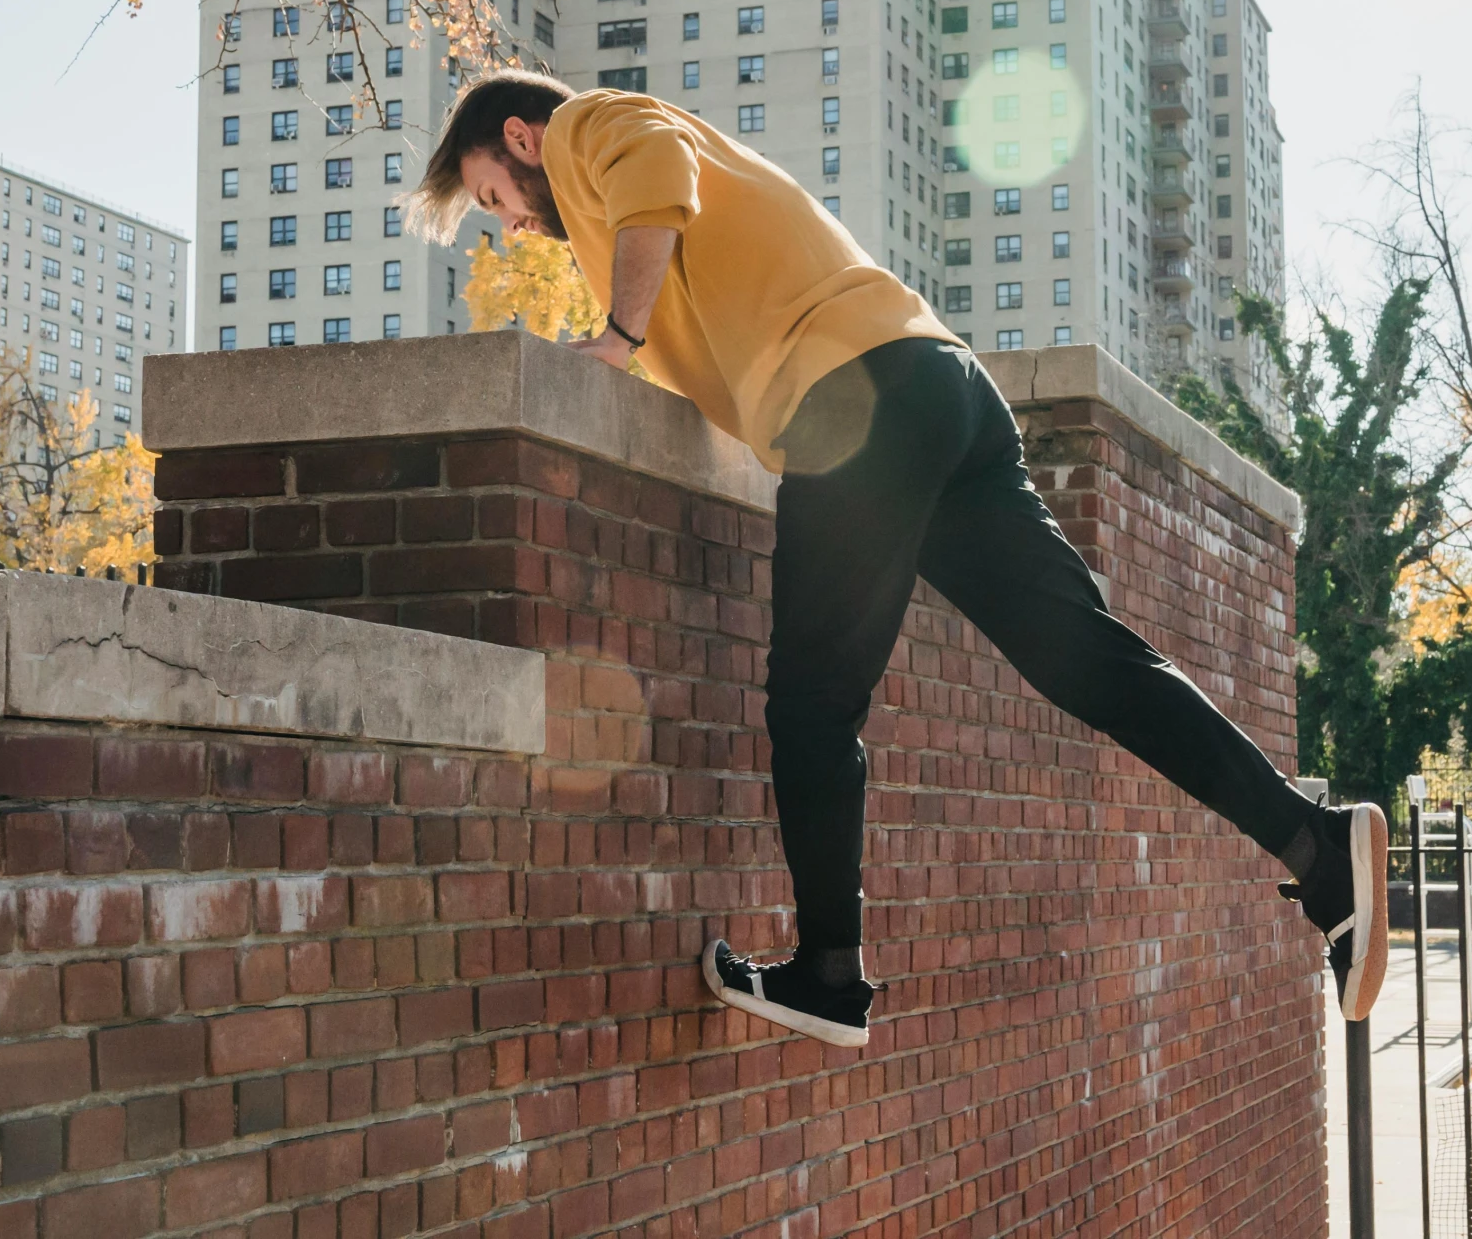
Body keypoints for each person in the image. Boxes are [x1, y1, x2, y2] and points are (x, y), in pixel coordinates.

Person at [401, 70, 1387, 1047]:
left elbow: (654, 170)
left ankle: (829, 972)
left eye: (496, 199)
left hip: (851, 401)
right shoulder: (630, 185)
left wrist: (613, 338)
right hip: (937, 381)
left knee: (811, 705)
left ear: (522, 140)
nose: (518, 228)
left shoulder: (589, 125)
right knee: (1085, 660)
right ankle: (1315, 845)